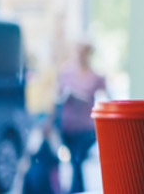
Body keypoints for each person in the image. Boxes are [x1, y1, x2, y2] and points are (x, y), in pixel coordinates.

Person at [56, 37, 106, 193]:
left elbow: (106, 98)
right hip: (68, 126)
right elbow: (56, 99)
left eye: (83, 51)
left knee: (77, 160)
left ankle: (76, 190)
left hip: (87, 127)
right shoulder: (65, 74)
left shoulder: (96, 77)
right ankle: (77, 190)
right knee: (75, 162)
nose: (80, 54)